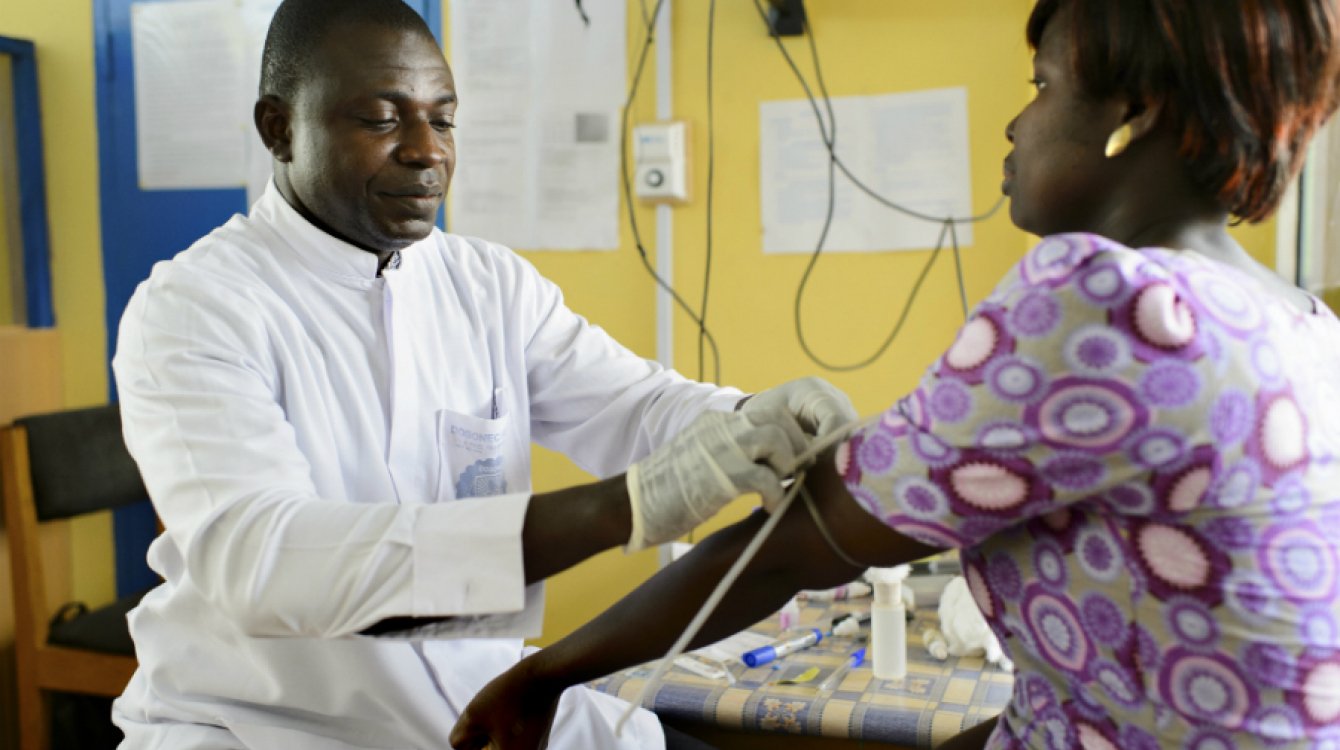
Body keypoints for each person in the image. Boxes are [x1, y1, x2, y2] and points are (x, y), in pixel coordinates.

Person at [450, 0, 1340, 748]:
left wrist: (546, 676)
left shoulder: (1106, 298)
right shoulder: (1301, 321)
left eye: (1042, 87)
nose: (1016, 121)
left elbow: (790, 547)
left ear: (1132, 113)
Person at [109, 1, 856, 748]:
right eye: (381, 118)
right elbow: (267, 562)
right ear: (279, 127)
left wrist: (758, 418)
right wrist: (623, 507)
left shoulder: (486, 282)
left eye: (445, 118)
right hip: (278, 726)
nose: (427, 149)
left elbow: (631, 406)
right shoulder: (194, 308)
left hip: (492, 701)